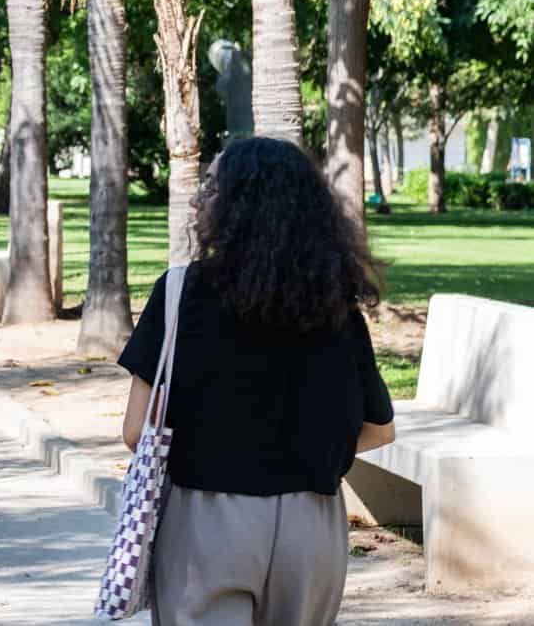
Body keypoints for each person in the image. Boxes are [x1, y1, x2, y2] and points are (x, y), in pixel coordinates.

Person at [117, 136, 396, 626]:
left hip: (205, 520)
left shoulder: (180, 293)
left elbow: (137, 430)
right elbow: (379, 430)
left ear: (226, 207)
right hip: (312, 524)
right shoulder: (336, 305)